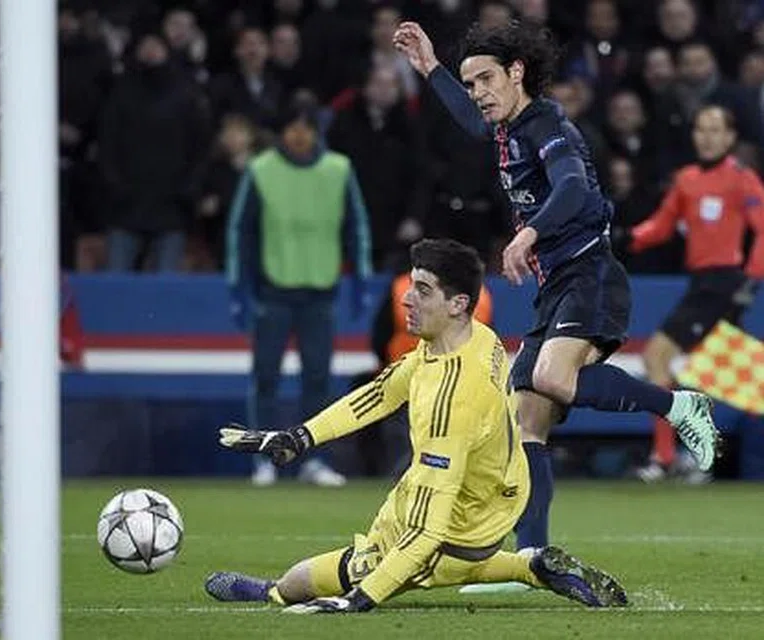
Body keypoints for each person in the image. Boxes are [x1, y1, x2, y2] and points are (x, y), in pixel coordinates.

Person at [391, 20, 720, 560]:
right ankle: (533, 558)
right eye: (471, 84)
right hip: (555, 287)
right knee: (527, 423)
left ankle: (678, 405)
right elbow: (473, 125)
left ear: (517, 72)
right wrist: (430, 67)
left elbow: (570, 186)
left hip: (589, 275)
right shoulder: (505, 127)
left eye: (485, 80)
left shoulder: (549, 127)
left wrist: (528, 233)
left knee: (550, 377)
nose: (478, 94)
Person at [205, 239, 628, 613]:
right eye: (411, 285)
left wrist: (361, 597)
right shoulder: (476, 338)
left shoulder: (453, 401)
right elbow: (380, 393)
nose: (407, 299)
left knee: (303, 580)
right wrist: (301, 437)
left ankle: (272, 594)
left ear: (457, 303)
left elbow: (429, 532)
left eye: (422, 291)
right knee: (456, 560)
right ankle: (531, 565)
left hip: (460, 524)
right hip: (492, 492)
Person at [225, 103, 372, 487]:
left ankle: (314, 460)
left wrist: (360, 279)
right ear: (281, 132)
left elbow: (356, 227)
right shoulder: (262, 170)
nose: (299, 135)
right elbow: (241, 232)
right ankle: (262, 461)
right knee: (265, 378)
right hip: (273, 290)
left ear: (316, 131)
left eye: (305, 127)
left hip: (321, 291)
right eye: (292, 127)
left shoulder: (338, 169)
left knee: (318, 381)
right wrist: (239, 289)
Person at [620, 105, 764, 483]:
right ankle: (694, 457)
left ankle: (666, 456)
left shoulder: (742, 180)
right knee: (710, 373)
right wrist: (629, 237)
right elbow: (662, 226)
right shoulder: (686, 180)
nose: (707, 137)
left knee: (657, 358)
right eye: (702, 129)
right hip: (703, 283)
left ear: (731, 137)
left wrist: (750, 280)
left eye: (716, 130)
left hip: (723, 284)